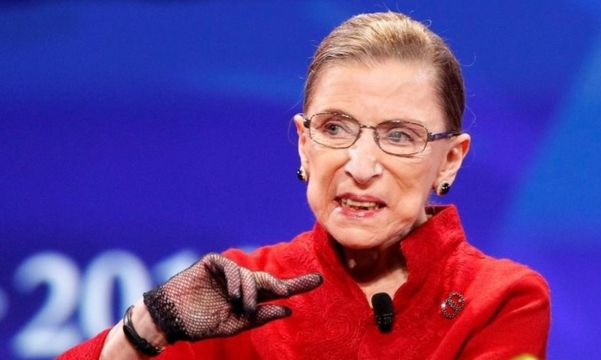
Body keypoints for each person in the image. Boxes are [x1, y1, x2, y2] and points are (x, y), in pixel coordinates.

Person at [60, 11, 550, 359]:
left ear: (450, 159)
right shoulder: (240, 292)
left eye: (399, 135)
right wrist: (145, 331)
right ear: (303, 143)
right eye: (335, 128)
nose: (360, 165)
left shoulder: (502, 299)